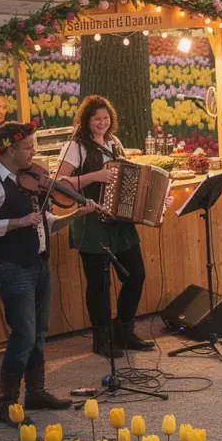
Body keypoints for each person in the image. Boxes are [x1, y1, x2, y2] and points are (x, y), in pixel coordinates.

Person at [0, 122, 99, 423]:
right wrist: (15, 222)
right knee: (23, 335)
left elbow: (47, 222)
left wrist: (75, 214)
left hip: (38, 263)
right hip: (11, 266)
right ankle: (7, 405)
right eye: (28, 147)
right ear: (10, 150)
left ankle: (35, 392)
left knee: (39, 332)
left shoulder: (32, 180)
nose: (34, 152)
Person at [56, 95, 158, 358]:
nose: (102, 122)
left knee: (135, 275)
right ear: (86, 121)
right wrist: (94, 176)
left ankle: (124, 331)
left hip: (119, 221)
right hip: (91, 221)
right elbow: (60, 182)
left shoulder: (115, 143)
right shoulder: (76, 147)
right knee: (99, 284)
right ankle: (101, 339)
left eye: (106, 117)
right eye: (96, 118)